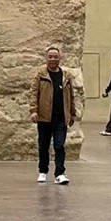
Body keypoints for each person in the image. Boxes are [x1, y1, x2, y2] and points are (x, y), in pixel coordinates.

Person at [29, 44, 82, 185]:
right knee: (44, 145)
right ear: (46, 58)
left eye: (55, 57)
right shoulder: (40, 75)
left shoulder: (65, 76)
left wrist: (72, 113)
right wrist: (33, 111)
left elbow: (70, 96)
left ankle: (60, 173)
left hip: (60, 117)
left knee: (59, 146)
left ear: (60, 58)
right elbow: (33, 93)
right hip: (44, 117)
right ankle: (43, 171)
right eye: (50, 57)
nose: (53, 59)